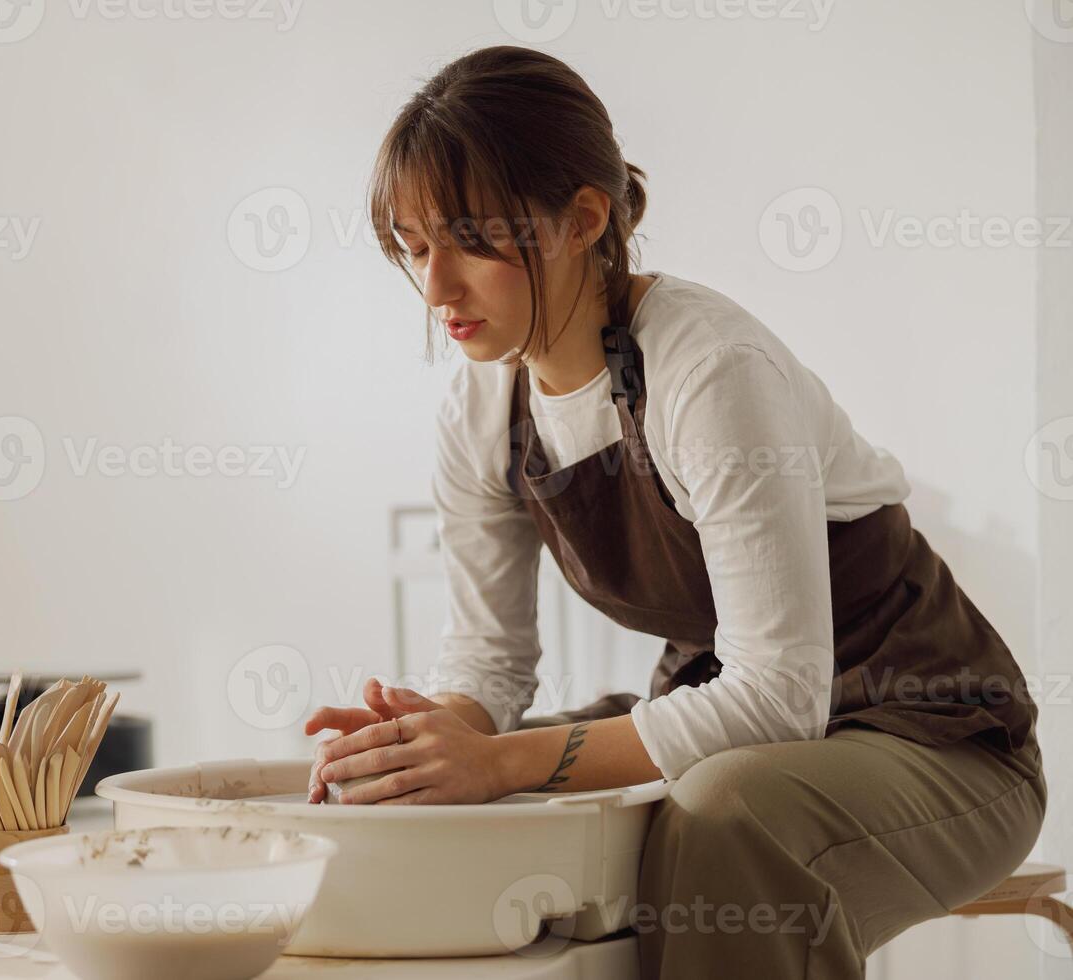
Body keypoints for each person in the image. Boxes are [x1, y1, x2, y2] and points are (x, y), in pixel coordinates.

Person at [301, 45, 1045, 979]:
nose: (439, 289)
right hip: (747, 724)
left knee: (724, 813)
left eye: (473, 240)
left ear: (582, 220)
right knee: (450, 802)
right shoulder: (483, 406)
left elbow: (778, 694)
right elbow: (490, 662)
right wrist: (433, 738)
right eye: (414, 249)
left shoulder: (709, 372)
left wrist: (502, 759)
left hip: (934, 743)